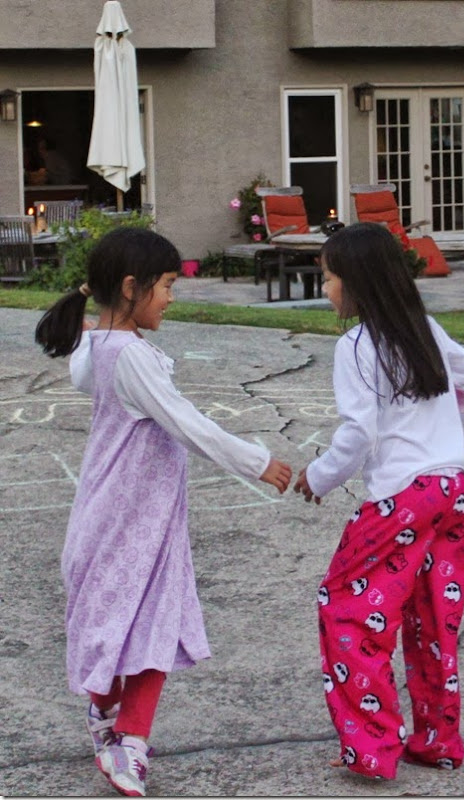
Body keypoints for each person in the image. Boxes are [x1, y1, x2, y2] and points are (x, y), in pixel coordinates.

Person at [35, 227, 292, 797]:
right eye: (168, 286)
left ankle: (127, 735)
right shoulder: (129, 355)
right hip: (130, 522)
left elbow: (84, 363)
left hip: (125, 517)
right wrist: (257, 461)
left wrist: (95, 318)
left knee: (144, 623)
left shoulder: (100, 345)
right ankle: (112, 723)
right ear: (132, 287)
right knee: (131, 625)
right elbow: (186, 423)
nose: (172, 298)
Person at [293, 222, 464, 782]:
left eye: (329, 277)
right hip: (450, 488)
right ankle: (437, 741)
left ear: (357, 283)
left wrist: (318, 477)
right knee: (433, 620)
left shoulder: (355, 345)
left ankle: (373, 746)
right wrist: (438, 422)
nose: (325, 288)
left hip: (401, 497)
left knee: (347, 609)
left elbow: (359, 433)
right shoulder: (423, 329)